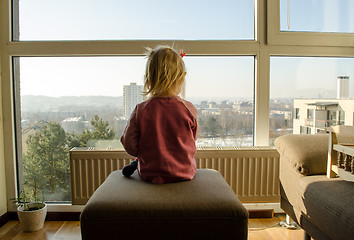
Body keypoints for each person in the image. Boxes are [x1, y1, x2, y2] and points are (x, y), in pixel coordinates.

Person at [120, 46, 198, 184]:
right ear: (182, 77)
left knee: (137, 161)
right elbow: (192, 140)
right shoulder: (189, 109)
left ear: (148, 78)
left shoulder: (141, 110)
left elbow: (131, 147)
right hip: (185, 173)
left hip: (150, 174)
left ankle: (135, 165)